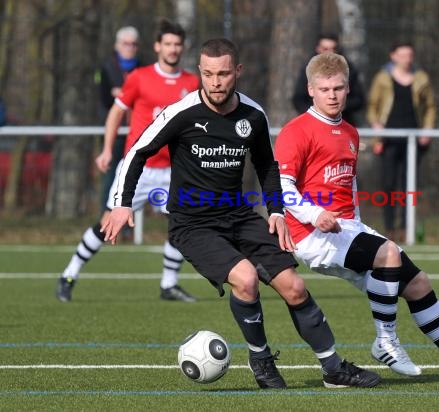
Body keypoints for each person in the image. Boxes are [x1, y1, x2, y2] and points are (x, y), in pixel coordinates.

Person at [101, 38, 381, 390]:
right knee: (246, 279)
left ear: (237, 71)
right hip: (193, 224)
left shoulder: (252, 114)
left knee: (294, 287)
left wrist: (276, 211)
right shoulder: (182, 113)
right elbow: (137, 151)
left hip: (240, 216)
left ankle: (334, 369)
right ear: (201, 72)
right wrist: (121, 202)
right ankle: (261, 361)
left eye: (222, 74)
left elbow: (267, 166)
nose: (215, 82)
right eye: (207, 74)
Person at [274, 52, 439, 382]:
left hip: (346, 229)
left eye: (339, 88)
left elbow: (349, 185)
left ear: (347, 89)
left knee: (417, 283)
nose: (332, 95)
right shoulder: (296, 131)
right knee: (388, 253)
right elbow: (281, 188)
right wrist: (315, 215)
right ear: (310, 90)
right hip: (312, 235)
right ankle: (385, 341)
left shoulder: (350, 132)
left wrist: (356, 221)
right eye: (325, 89)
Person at [56, 19, 200, 303]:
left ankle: (168, 284)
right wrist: (107, 149)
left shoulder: (192, 83)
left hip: (173, 171)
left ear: (182, 48)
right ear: (158, 46)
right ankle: (69, 275)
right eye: (167, 44)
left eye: (177, 44)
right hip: (138, 170)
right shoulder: (139, 77)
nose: (172, 49)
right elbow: (115, 113)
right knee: (108, 222)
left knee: (183, 223)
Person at [366, 41, 436, 240]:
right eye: (403, 55)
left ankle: (407, 228)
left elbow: (431, 106)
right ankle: (389, 228)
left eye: (410, 55)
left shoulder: (421, 78)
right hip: (388, 139)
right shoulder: (382, 78)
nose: (407, 59)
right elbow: (372, 105)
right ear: (393, 56)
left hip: (413, 140)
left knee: (409, 185)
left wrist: (427, 130)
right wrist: (376, 125)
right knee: (388, 184)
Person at [96, 26, 142, 215]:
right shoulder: (105, 68)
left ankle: (127, 224)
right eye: (125, 44)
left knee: (133, 180)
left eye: (133, 44)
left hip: (137, 133)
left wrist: (121, 93)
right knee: (111, 179)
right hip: (115, 133)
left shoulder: (144, 68)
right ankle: (105, 221)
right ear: (117, 45)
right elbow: (106, 99)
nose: (129, 48)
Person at [292, 33, 365, 126]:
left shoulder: (348, 69)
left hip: (343, 122)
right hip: (313, 124)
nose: (329, 53)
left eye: (338, 88)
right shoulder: (308, 69)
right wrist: (318, 113)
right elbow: (298, 99)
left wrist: (339, 106)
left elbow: (359, 100)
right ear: (318, 49)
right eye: (325, 49)